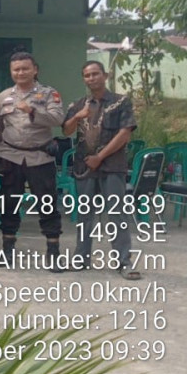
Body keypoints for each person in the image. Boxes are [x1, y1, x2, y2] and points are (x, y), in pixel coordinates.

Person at [62, 60, 139, 280]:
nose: (91, 78)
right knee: (85, 215)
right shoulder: (77, 105)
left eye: (95, 74)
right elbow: (66, 130)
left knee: (116, 214)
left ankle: (124, 261)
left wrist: (100, 157)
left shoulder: (120, 102)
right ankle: (81, 257)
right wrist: (78, 117)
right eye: (87, 75)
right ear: (83, 79)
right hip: (84, 168)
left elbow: (125, 133)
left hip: (112, 167)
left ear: (105, 76)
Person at [0, 51, 65, 270]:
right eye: (16, 69)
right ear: (11, 72)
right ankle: (7, 250)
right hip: (10, 155)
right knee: (9, 203)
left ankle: (53, 252)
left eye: (25, 68)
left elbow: (58, 119)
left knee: (47, 203)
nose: (20, 73)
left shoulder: (49, 94)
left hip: (39, 156)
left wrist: (32, 110)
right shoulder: (3, 97)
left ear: (35, 70)